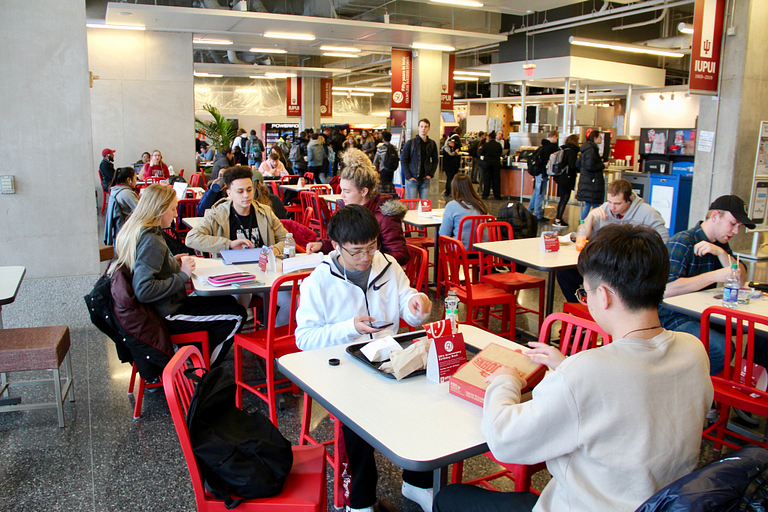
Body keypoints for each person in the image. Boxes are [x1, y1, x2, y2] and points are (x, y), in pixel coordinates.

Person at [433, 223, 713, 512]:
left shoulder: (588, 371)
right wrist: (567, 365)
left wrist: (505, 382)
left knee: (449, 498)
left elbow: (505, 439)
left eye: (585, 293)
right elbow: (634, 391)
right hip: (663, 502)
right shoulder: (693, 349)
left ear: (603, 296)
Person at [295, 204, 433, 512]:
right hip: (340, 369)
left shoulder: (386, 265)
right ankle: (360, 500)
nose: (366, 258)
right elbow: (303, 339)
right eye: (357, 252)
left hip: (388, 363)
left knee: (426, 406)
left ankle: (417, 483)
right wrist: (349, 328)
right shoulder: (319, 280)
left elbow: (406, 303)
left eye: (371, 248)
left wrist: (416, 304)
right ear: (336, 244)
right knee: (356, 422)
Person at [110, 184, 247, 367]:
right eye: (173, 209)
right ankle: (204, 370)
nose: (176, 214)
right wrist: (183, 275)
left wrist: (170, 262)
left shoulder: (140, 231)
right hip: (167, 313)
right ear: (159, 210)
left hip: (161, 307)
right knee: (237, 315)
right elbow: (143, 289)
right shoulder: (152, 240)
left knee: (229, 302)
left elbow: (149, 268)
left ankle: (198, 353)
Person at [660, 195, 766, 375]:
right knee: (723, 349)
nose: (736, 231)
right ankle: (692, 388)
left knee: (761, 333)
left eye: (739, 226)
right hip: (673, 318)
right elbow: (666, 290)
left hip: (703, 315)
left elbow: (741, 280)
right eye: (733, 224)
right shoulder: (683, 241)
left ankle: (749, 387)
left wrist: (722, 254)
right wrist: (715, 275)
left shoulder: (720, 245)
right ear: (715, 216)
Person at [185, 166, 293, 326]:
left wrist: (275, 249)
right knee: (240, 302)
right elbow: (191, 238)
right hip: (232, 276)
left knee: (291, 301)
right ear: (229, 193)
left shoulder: (265, 212)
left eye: (249, 190)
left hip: (265, 274)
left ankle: (272, 341)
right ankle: (234, 340)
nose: (246, 195)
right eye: (240, 191)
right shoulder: (217, 214)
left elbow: (287, 239)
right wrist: (228, 244)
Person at [556, 179, 669, 303]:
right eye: (609, 202)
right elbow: (584, 236)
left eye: (618, 203)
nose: (612, 207)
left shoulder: (648, 214)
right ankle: (582, 310)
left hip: (628, 270)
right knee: (565, 274)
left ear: (629, 199)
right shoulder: (605, 209)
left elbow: (662, 243)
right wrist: (591, 216)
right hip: (605, 266)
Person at [306, 149, 410, 265]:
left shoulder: (384, 216)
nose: (342, 195)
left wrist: (366, 259)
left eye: (347, 191)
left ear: (364, 191)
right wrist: (323, 245)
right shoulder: (349, 211)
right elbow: (349, 247)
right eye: (341, 190)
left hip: (376, 276)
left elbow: (401, 255)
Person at [439, 174, 488, 249]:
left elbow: (444, 233)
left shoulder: (452, 206)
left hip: (460, 250)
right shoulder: (480, 205)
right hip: (481, 250)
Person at [401, 118, 438, 200]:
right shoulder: (410, 143)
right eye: (422, 126)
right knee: (412, 205)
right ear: (418, 127)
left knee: (424, 205)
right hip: (412, 179)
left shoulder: (432, 144)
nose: (423, 129)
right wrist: (408, 176)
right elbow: (403, 160)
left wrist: (430, 174)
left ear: (428, 128)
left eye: (425, 127)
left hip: (425, 179)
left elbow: (435, 160)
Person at [103, 166, 139, 245]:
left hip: (120, 229)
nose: (136, 181)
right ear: (129, 180)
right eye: (135, 178)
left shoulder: (114, 190)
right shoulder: (126, 193)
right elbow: (140, 211)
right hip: (129, 228)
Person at [529, 131, 559, 222]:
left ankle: (530, 211)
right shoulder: (552, 148)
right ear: (554, 137)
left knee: (537, 192)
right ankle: (538, 214)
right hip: (543, 172)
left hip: (538, 173)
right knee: (540, 193)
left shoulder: (542, 146)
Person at [576, 130, 606, 220]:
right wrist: (603, 165)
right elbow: (590, 166)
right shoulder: (592, 150)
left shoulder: (585, 149)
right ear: (595, 138)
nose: (601, 139)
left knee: (590, 203)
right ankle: (586, 222)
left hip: (587, 180)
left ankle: (584, 223)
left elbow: (578, 164)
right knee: (593, 203)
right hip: (592, 181)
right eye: (600, 137)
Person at [552, 134, 580, 228]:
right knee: (564, 199)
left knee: (562, 199)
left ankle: (558, 219)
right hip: (567, 178)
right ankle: (558, 219)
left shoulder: (564, 149)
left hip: (561, 176)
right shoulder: (572, 152)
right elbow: (572, 165)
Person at [478, 131, 503, 200]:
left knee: (487, 179)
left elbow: (481, 153)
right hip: (496, 163)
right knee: (496, 179)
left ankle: (485, 194)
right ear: (495, 137)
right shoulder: (498, 145)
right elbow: (501, 153)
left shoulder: (485, 145)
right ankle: (497, 195)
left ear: (489, 137)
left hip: (487, 163)